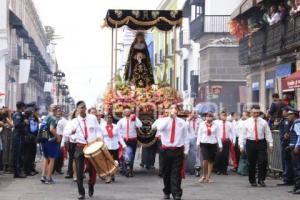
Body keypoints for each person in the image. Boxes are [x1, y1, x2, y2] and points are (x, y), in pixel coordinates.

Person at [69, 101, 102, 199]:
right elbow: (68, 134)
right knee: (79, 171)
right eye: (80, 108)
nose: (82, 109)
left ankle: (91, 185)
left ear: (86, 108)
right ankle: (81, 192)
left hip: (92, 146)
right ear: (77, 109)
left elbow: (98, 130)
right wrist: (73, 135)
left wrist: (99, 139)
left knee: (92, 169)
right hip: (80, 147)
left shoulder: (92, 118)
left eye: (83, 107)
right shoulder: (74, 121)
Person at [155, 106, 189, 200]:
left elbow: (186, 137)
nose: (173, 111)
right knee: (166, 173)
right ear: (169, 111)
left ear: (177, 111)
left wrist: (186, 151)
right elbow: (160, 129)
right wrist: (169, 118)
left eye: (175, 110)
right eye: (171, 109)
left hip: (178, 150)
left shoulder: (182, 122)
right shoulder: (163, 120)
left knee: (176, 173)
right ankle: (167, 191)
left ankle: (177, 193)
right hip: (165, 150)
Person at [239, 105, 273, 187]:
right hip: (250, 143)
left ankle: (261, 179)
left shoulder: (263, 122)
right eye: (254, 112)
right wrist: (241, 145)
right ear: (251, 112)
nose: (256, 114)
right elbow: (242, 135)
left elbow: (268, 133)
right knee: (252, 163)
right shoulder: (246, 122)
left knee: (262, 161)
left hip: (261, 142)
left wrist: (271, 143)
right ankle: (252, 180)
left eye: (257, 112)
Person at [197, 112, 222, 183]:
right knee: (205, 160)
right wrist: (198, 143)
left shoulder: (216, 125)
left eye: (211, 117)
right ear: (205, 117)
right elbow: (199, 134)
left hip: (213, 144)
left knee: (211, 161)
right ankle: (204, 176)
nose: (209, 118)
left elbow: (218, 135)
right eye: (207, 117)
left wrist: (220, 145)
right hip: (204, 143)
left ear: (213, 118)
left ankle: (209, 177)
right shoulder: (202, 124)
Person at [116, 108, 142, 177]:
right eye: (126, 112)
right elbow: (117, 130)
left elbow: (140, 125)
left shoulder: (134, 120)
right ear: (123, 113)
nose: (127, 113)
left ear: (130, 112)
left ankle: (130, 169)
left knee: (132, 155)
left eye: (128, 111)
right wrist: (120, 140)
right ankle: (126, 170)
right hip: (124, 140)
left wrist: (136, 118)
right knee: (127, 154)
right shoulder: (121, 121)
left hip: (133, 140)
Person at [101, 114, 126, 183]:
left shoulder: (116, 126)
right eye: (107, 118)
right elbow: (100, 137)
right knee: (107, 162)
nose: (109, 119)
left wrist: (123, 145)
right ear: (105, 119)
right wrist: (101, 145)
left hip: (115, 146)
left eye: (110, 118)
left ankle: (113, 174)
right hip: (106, 146)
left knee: (115, 161)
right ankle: (108, 176)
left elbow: (119, 137)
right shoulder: (102, 127)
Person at [40, 105, 62, 184]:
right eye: (58, 110)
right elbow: (52, 129)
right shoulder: (53, 118)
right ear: (55, 110)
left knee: (46, 158)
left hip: (44, 139)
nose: (58, 112)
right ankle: (49, 177)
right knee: (52, 159)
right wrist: (58, 136)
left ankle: (43, 176)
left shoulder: (46, 117)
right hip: (51, 141)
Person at [277, 106, 294, 186]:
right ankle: (286, 178)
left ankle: (287, 179)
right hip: (284, 143)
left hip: (286, 144)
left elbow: (286, 133)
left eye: (284, 111)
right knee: (285, 161)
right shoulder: (284, 120)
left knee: (287, 162)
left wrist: (284, 140)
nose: (282, 112)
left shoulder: (287, 121)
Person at [286, 109, 300, 194]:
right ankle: (296, 187)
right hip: (293, 147)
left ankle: (298, 188)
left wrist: (297, 146)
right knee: (296, 168)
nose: (287, 117)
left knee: (297, 168)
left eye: (289, 115)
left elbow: (299, 135)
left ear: (293, 115)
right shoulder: (294, 123)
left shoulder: (297, 122)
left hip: (296, 149)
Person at [12, 101, 27, 178]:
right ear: (21, 107)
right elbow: (17, 125)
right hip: (17, 136)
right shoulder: (17, 114)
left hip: (19, 136)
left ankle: (19, 171)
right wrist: (25, 123)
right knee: (17, 154)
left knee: (20, 154)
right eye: (24, 106)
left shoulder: (20, 114)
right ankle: (17, 173)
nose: (25, 108)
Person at [186, 109, 203, 176]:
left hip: (198, 139)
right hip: (190, 139)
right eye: (193, 113)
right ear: (190, 114)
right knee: (191, 155)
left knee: (197, 154)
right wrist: (188, 120)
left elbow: (201, 130)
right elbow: (186, 128)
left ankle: (197, 168)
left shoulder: (200, 120)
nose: (194, 114)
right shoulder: (188, 120)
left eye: (195, 113)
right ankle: (190, 168)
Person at [24, 105, 39, 176]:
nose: (38, 112)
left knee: (31, 155)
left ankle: (31, 169)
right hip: (30, 139)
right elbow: (33, 129)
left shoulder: (32, 119)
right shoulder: (32, 119)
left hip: (31, 139)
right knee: (29, 155)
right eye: (37, 111)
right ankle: (28, 170)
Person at [64, 110, 78, 182]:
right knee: (73, 159)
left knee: (80, 160)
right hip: (72, 142)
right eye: (77, 113)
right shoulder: (70, 122)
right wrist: (71, 132)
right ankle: (72, 173)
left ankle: (79, 173)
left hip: (81, 142)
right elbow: (66, 133)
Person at [54, 108, 67, 175]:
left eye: (59, 111)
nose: (58, 113)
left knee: (60, 154)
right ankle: (52, 168)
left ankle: (59, 168)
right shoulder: (52, 118)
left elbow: (66, 130)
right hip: (52, 137)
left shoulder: (64, 120)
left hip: (60, 137)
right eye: (57, 111)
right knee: (52, 154)